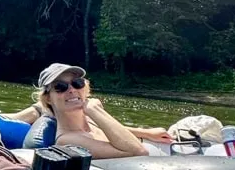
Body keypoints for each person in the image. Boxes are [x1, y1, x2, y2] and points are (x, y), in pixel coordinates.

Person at [9, 64, 174, 151]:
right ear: (48, 99)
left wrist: (147, 133)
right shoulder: (68, 140)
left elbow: (117, 130)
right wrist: (96, 111)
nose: (72, 89)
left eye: (77, 83)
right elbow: (137, 151)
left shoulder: (88, 120)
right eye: (60, 87)